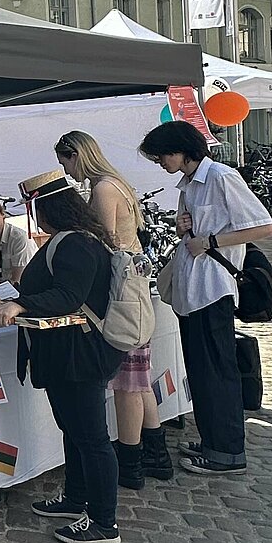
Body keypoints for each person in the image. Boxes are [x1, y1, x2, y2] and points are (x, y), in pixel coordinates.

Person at [0, 171, 125, 543]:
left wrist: (20, 303)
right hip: (66, 352)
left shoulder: (76, 244)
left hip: (80, 353)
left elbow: (68, 294)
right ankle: (75, 498)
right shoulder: (71, 240)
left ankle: (103, 521)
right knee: (74, 430)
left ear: (51, 209)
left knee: (92, 438)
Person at [140, 121, 272, 475]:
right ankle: (213, 440)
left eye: (162, 156)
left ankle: (228, 451)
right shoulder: (188, 185)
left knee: (218, 372)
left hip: (213, 290)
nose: (161, 163)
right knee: (200, 372)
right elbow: (192, 233)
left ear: (181, 149)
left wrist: (211, 242)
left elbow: (264, 226)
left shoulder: (221, 177)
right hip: (191, 291)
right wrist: (182, 228)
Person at [55, 131, 172, 487]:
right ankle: (157, 456)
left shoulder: (103, 188)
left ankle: (131, 463)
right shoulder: (116, 182)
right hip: (133, 287)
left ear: (77, 155)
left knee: (126, 384)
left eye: (66, 163)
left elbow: (101, 241)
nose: (67, 172)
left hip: (123, 293)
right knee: (139, 381)